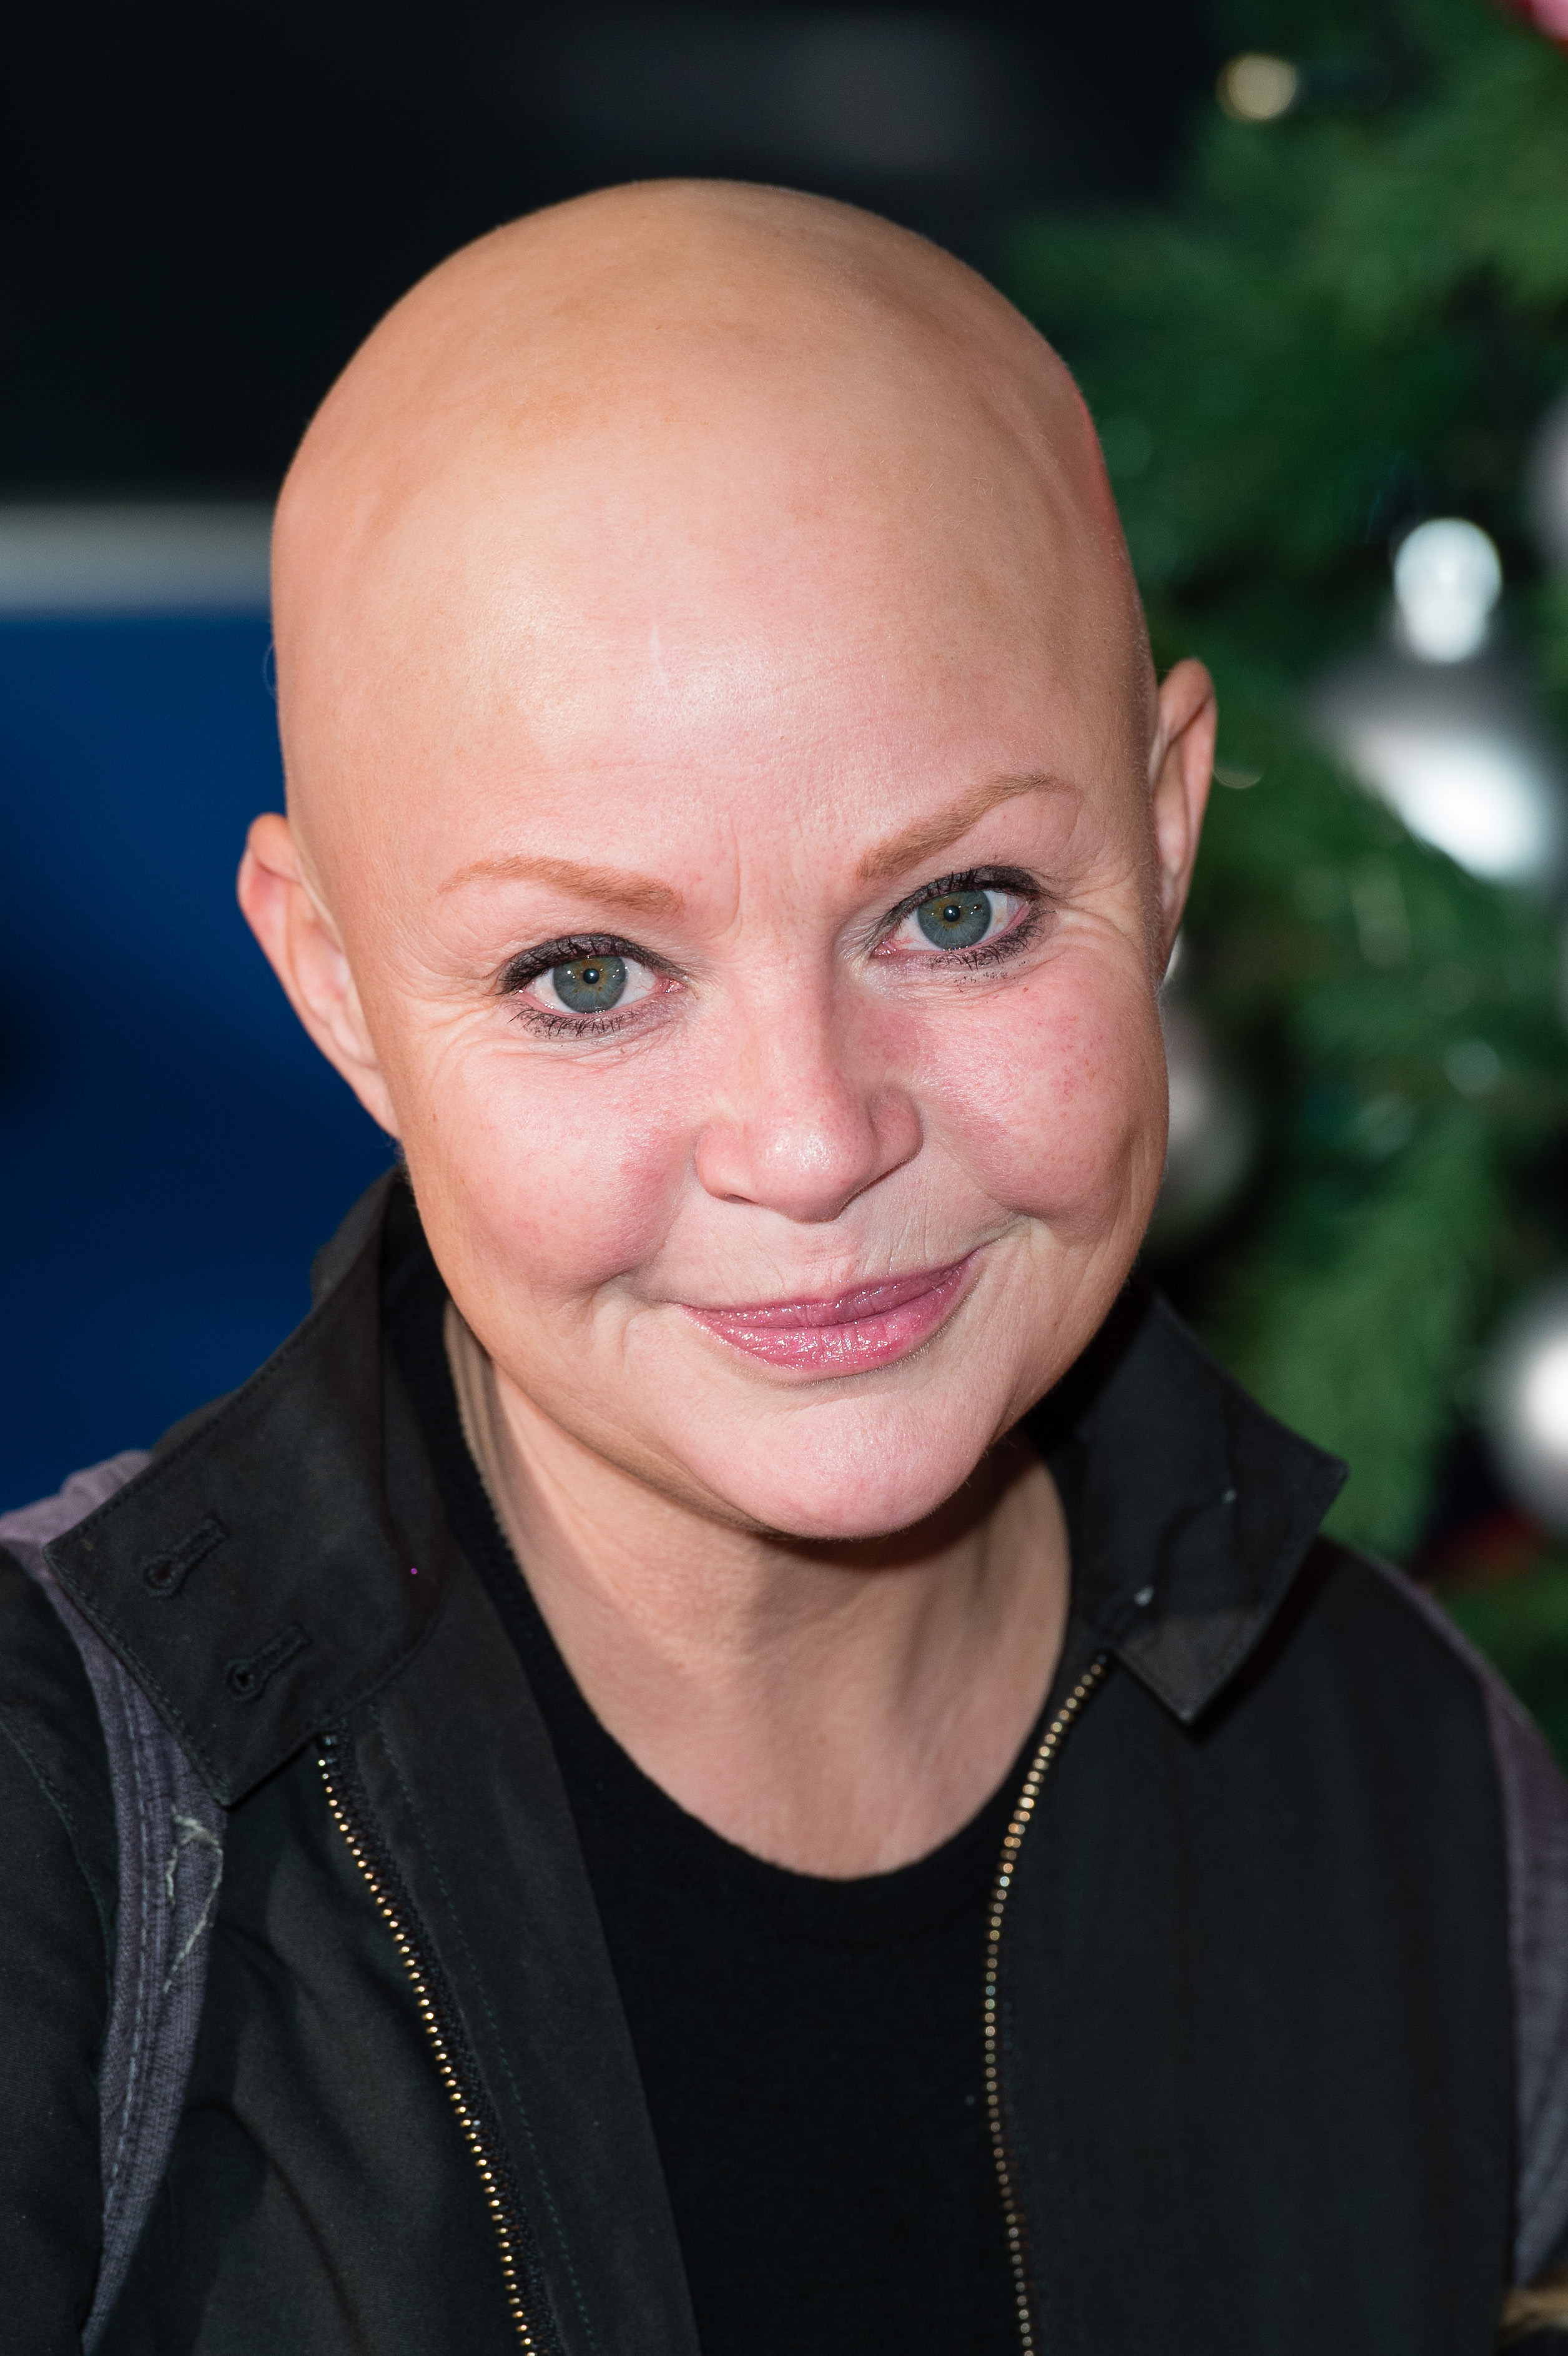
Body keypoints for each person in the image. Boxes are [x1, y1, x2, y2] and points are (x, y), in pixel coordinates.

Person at [4, 179, 1567, 2356]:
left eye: (959, 912)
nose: (816, 1139)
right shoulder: (61, 1833)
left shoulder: (1420, 1794)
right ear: (340, 989)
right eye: (586, 972)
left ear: (1171, 827)